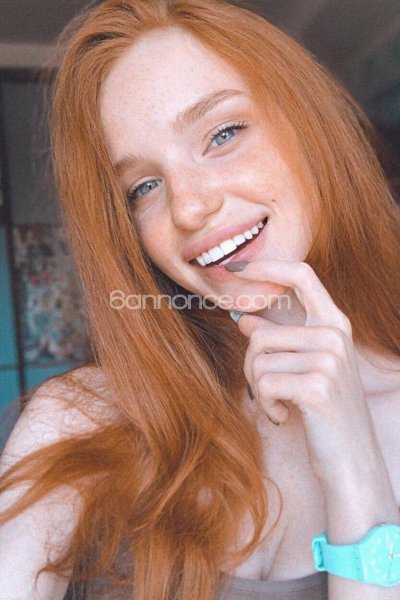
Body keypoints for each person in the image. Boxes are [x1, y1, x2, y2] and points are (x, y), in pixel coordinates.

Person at [1, 0, 400, 599]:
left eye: (223, 134)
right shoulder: (79, 422)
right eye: (144, 186)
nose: (189, 207)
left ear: (309, 125)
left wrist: (355, 471)